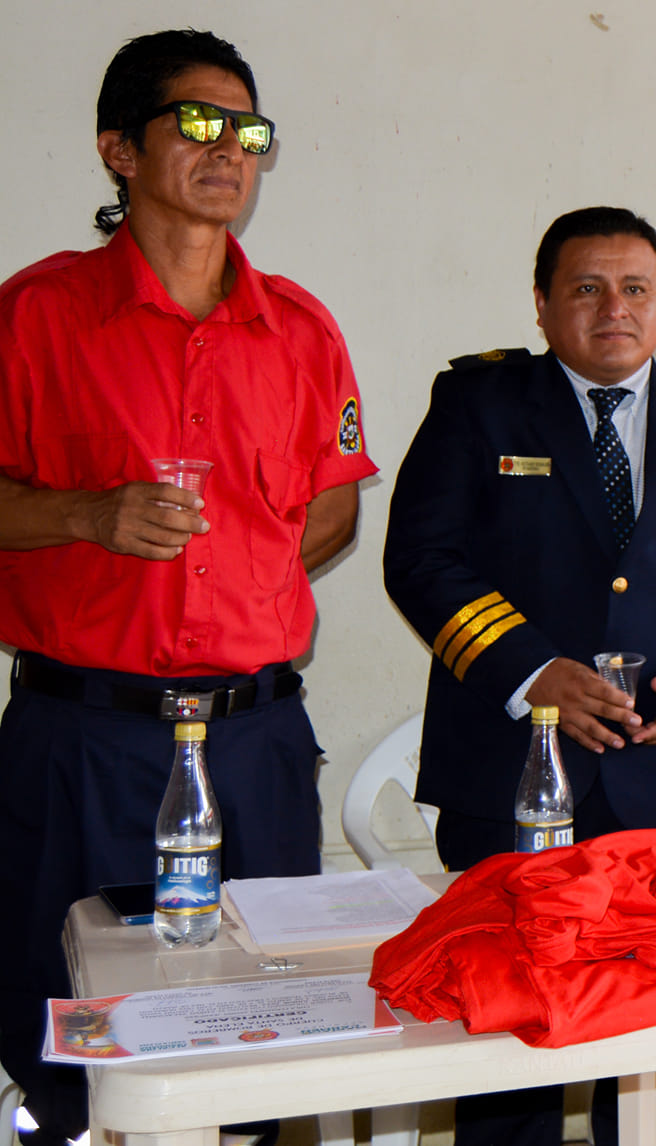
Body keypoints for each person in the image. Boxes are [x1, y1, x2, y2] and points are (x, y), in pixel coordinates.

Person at [0, 30, 375, 1143]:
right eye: (198, 123)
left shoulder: (300, 328)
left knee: (265, 1035)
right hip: (84, 741)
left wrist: (240, 584)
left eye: (249, 131)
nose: (229, 150)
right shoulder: (35, 314)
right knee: (75, 1044)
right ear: (118, 149)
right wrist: (84, 516)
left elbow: (333, 507)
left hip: (255, 741)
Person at [383, 206, 656, 1145]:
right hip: (512, 776)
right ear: (541, 305)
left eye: (635, 289)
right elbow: (419, 558)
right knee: (510, 1040)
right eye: (587, 288)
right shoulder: (478, 404)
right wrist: (532, 671)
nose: (615, 308)